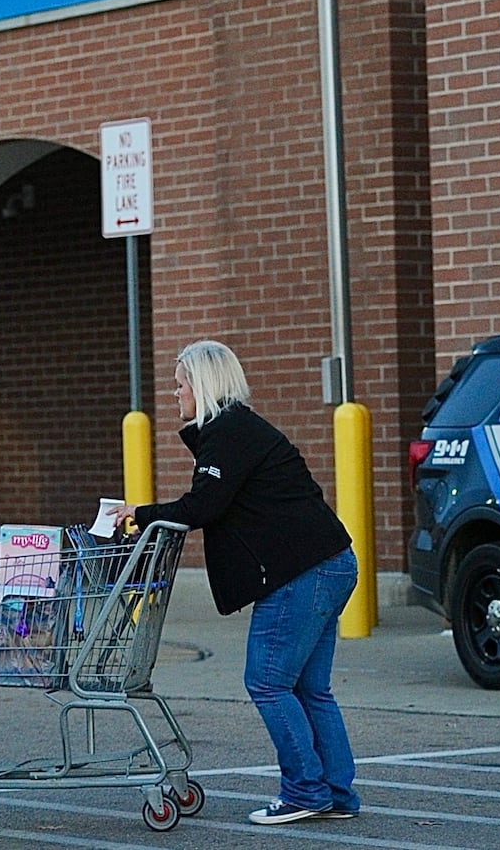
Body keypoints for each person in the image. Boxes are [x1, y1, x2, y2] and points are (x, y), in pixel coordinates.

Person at [110, 340, 360, 825]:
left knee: (267, 682)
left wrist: (139, 515)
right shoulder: (238, 431)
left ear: (202, 386)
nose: (174, 392)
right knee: (310, 688)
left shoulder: (227, 433)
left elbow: (204, 506)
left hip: (301, 573)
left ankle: (306, 792)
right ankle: (335, 793)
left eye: (180, 383)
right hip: (330, 562)